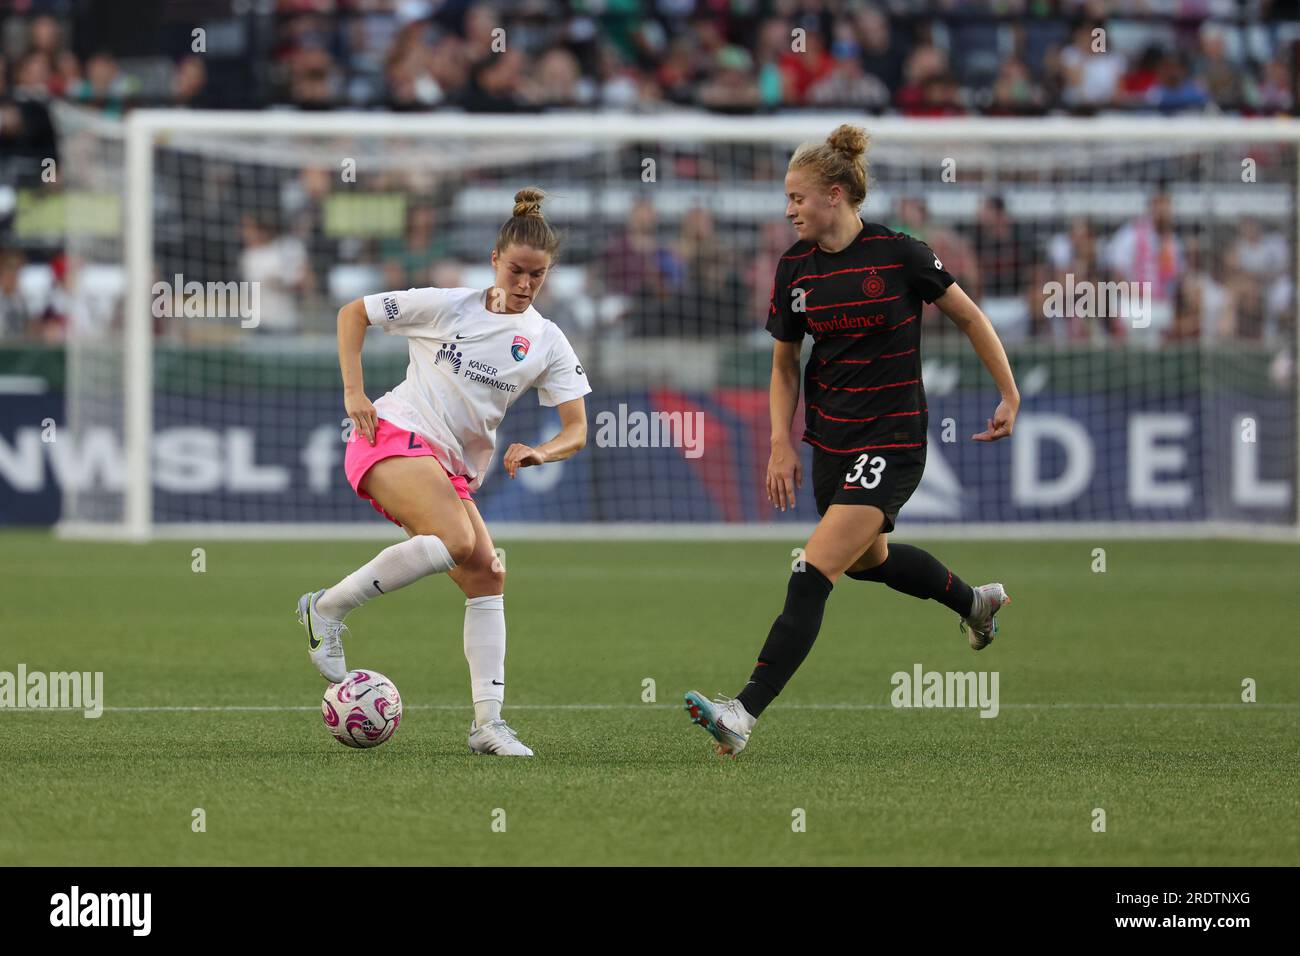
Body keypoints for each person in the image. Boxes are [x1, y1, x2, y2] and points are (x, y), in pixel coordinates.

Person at [684, 126, 1019, 757]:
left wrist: (1009, 394)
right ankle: (975, 602)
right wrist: (780, 444)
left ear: (834, 195)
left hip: (893, 438)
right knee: (871, 562)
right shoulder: (794, 270)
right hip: (829, 441)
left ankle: (741, 713)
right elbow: (785, 366)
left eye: (797, 198)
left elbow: (971, 317)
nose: (789, 210)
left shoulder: (901, 254)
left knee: (813, 571)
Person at [298, 187, 590, 757]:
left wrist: (541, 452)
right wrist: (354, 392)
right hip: (390, 434)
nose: (526, 285)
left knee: (487, 576)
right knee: (457, 541)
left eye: (538, 276)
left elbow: (577, 428)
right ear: (493, 261)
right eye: (516, 270)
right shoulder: (447, 304)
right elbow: (352, 313)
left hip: (447, 468)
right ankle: (326, 606)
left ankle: (488, 725)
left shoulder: (548, 341)